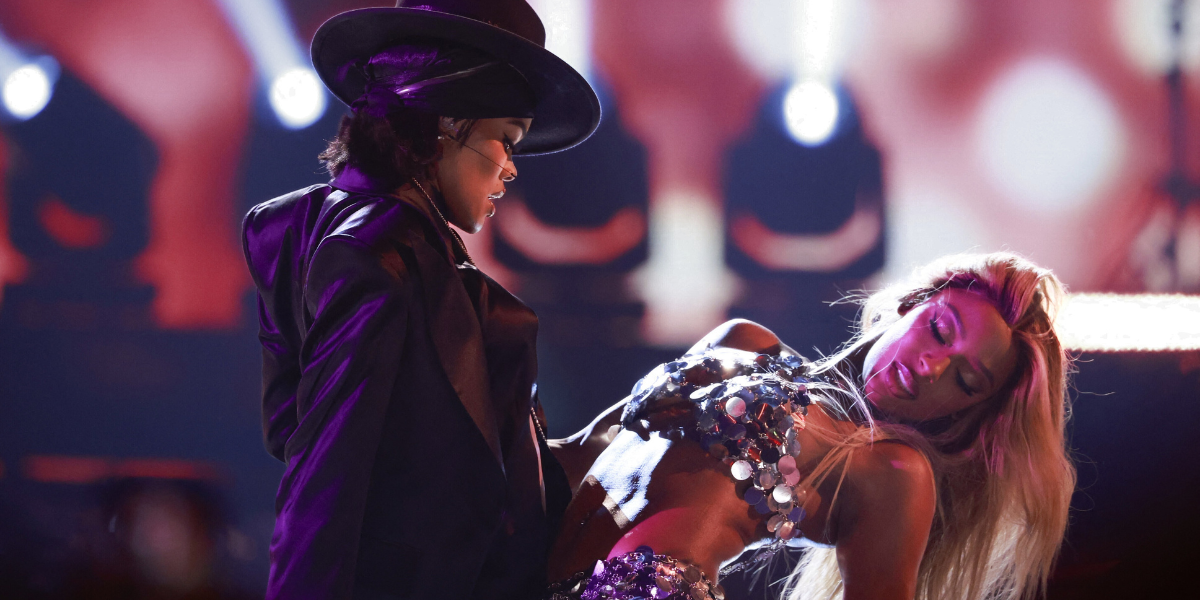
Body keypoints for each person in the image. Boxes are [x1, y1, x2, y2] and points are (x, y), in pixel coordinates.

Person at [241, 1, 600, 599]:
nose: (511, 169)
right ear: (443, 128)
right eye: (504, 140)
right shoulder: (376, 259)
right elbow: (323, 477)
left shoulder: (376, 247)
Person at [547, 252, 1075, 600]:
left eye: (964, 381)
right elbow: (574, 454)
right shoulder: (744, 338)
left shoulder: (890, 469)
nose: (929, 368)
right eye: (938, 331)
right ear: (912, 304)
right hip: (525, 570)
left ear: (963, 412)